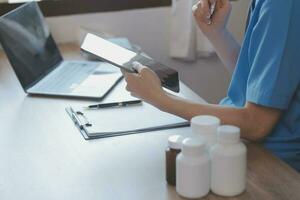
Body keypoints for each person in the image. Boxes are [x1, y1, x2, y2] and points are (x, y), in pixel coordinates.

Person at [123, 0, 300, 172]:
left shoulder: (282, 4)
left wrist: (160, 98)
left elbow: (257, 124)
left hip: (273, 163)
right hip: (238, 142)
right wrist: (216, 31)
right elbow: (258, 78)